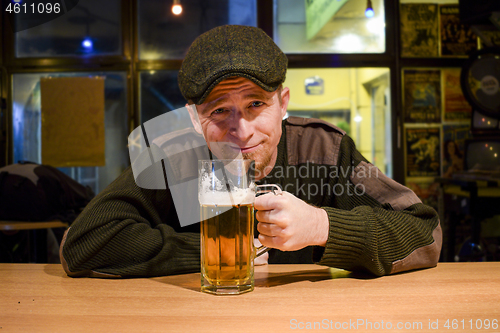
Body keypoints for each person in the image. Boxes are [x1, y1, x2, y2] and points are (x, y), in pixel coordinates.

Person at [60, 25, 441, 278]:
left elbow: (426, 231)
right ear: (194, 119)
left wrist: (321, 226)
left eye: (256, 104)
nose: (240, 131)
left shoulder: (325, 148)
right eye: (220, 110)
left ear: (283, 103)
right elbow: (83, 243)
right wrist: (222, 253)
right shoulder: (174, 157)